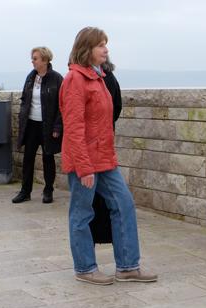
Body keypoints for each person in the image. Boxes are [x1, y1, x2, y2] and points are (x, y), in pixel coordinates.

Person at [60, 27, 157, 285]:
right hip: (85, 163)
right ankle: (84, 268)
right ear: (86, 49)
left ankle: (127, 267)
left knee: (124, 204)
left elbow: (103, 123)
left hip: (104, 160)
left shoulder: (98, 77)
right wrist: (84, 167)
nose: (106, 49)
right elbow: (74, 127)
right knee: (82, 214)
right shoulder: (74, 80)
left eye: (106, 44)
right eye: (100, 45)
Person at [12, 47, 63, 204]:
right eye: (32, 58)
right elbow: (25, 100)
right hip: (31, 125)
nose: (32, 61)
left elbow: (62, 105)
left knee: (48, 158)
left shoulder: (57, 78)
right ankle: (25, 192)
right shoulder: (30, 77)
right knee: (28, 159)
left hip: (47, 126)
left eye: (35, 58)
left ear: (45, 60)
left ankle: (48, 191)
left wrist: (57, 127)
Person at [90, 58, 122, 244]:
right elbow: (117, 107)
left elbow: (114, 107)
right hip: (103, 139)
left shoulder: (106, 79)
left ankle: (100, 232)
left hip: (101, 141)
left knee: (99, 192)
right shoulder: (109, 78)